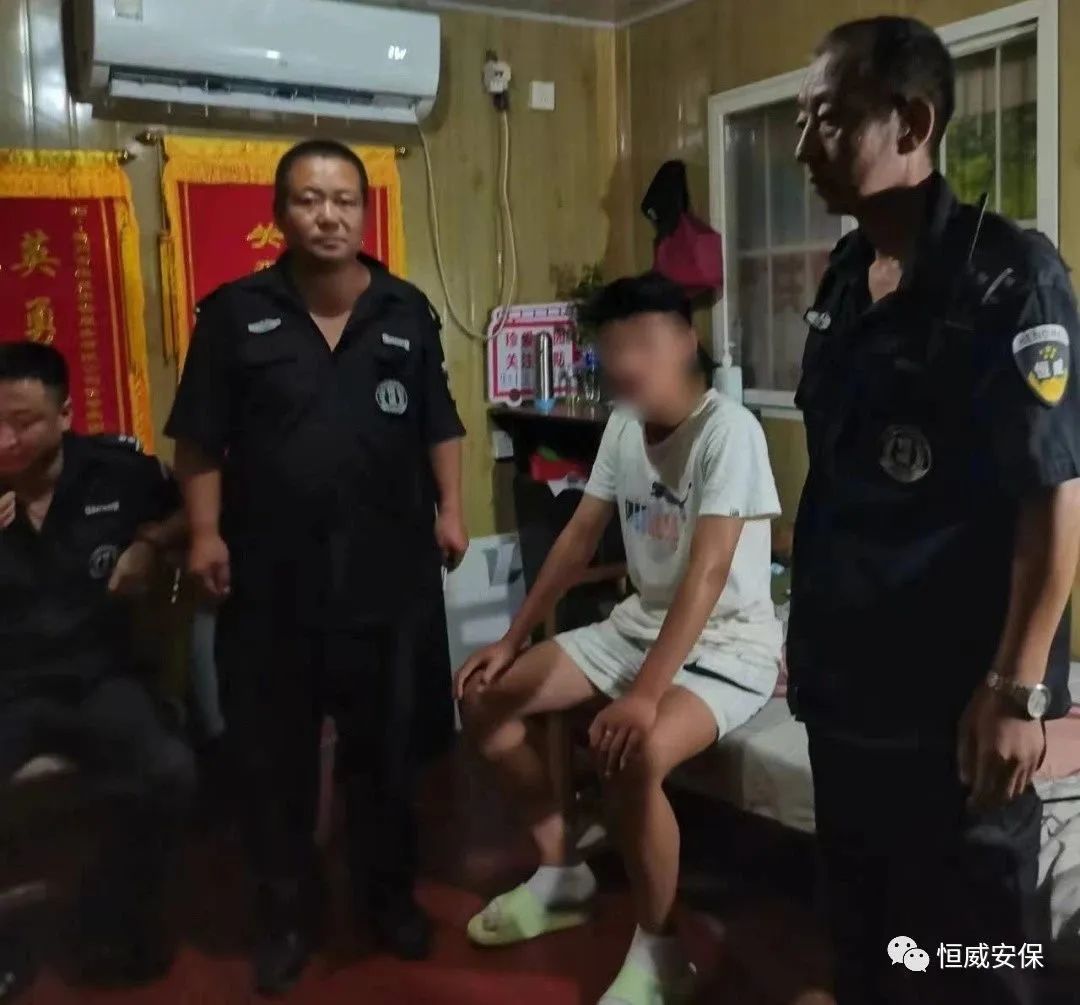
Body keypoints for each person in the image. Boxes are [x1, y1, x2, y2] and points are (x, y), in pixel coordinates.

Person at [789, 16, 1080, 1005]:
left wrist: (1017, 691)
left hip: (955, 713)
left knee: (978, 959)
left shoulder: (1010, 277)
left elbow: (1054, 497)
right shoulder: (845, 277)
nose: (803, 145)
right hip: (847, 701)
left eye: (829, 119)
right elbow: (842, 485)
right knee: (867, 947)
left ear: (911, 123)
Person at [165, 139, 468, 995]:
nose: (327, 215)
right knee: (275, 766)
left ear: (364, 212)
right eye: (308, 199)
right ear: (279, 214)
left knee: (388, 757)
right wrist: (204, 533)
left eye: (343, 199)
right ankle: (288, 917)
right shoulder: (234, 314)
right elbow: (198, 439)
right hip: (272, 583)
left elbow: (439, 422)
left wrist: (451, 508)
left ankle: (387, 899)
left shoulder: (406, 309)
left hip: (388, 578)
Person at [456, 273, 782, 1005]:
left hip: (726, 645)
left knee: (634, 755)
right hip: (637, 626)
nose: (625, 362)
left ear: (685, 340)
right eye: (612, 347)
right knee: (486, 701)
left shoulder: (729, 431)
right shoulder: (625, 425)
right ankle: (561, 872)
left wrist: (643, 696)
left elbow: (707, 573)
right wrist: (512, 638)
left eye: (642, 342)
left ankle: (661, 952)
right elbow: (577, 538)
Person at [0, 343, 193, 996]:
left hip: (99, 677)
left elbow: (193, 508)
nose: (6, 440)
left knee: (167, 770)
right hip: (9, 688)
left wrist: (150, 542)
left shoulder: (115, 472)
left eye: (24, 422)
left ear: (64, 415)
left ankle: (115, 911)